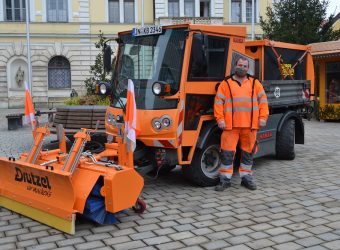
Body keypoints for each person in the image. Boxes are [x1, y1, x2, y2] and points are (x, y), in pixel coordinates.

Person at [214, 57, 269, 191]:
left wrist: (263, 117)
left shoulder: (255, 83)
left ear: (248, 68)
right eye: (240, 65)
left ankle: (246, 178)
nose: (242, 68)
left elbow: (263, 101)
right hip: (230, 126)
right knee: (227, 153)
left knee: (248, 153)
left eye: (245, 66)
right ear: (235, 66)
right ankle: (225, 180)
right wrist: (220, 119)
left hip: (250, 126)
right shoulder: (225, 83)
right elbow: (218, 102)